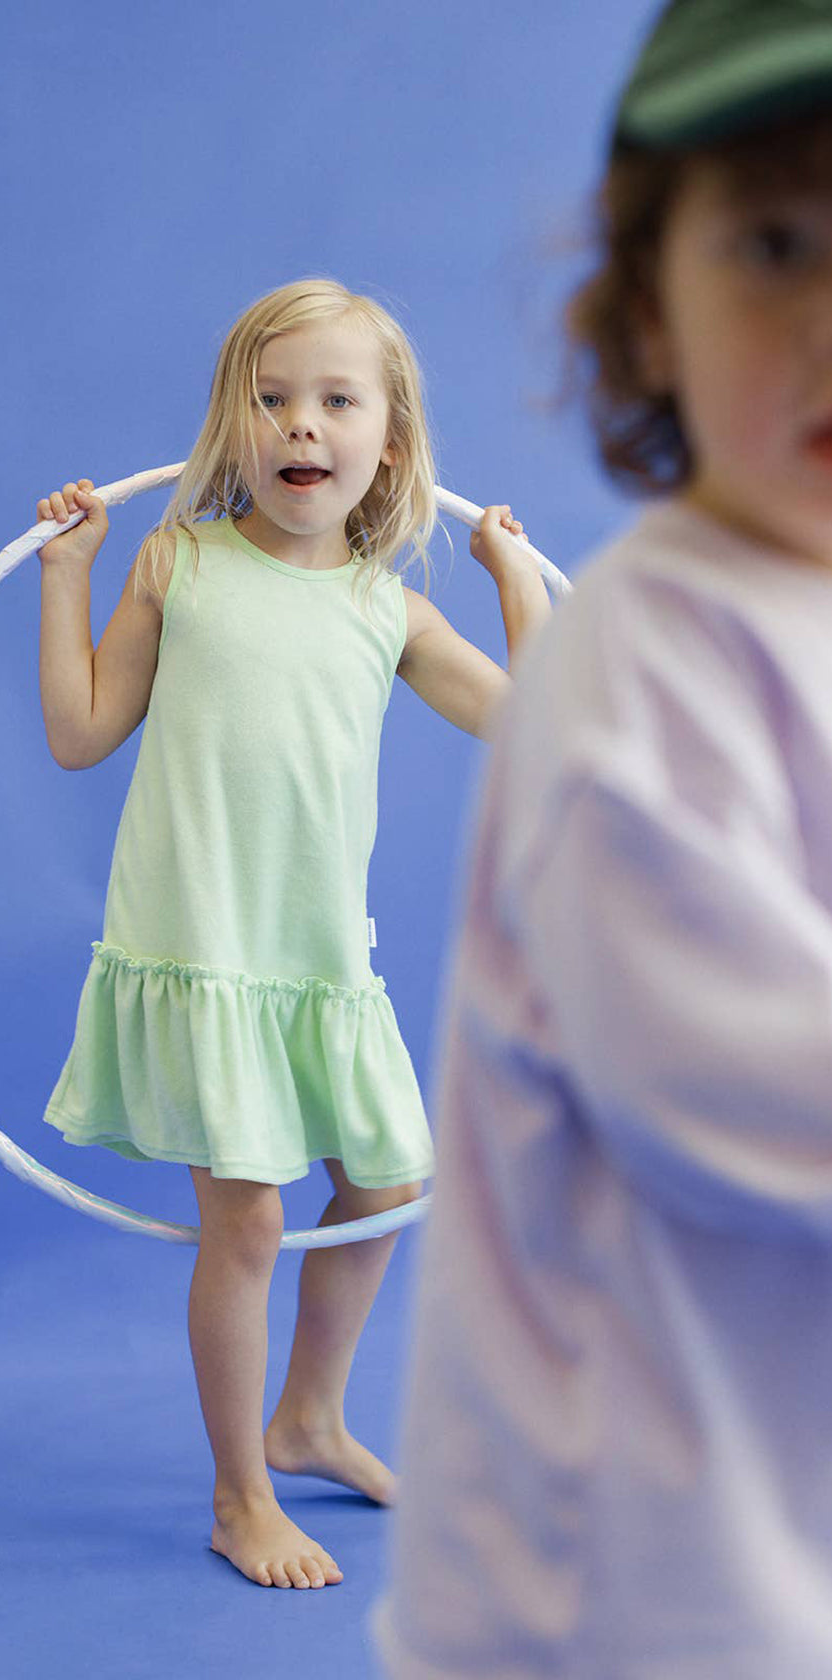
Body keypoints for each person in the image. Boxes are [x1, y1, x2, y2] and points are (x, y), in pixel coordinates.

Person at [375, 1, 832, 1673]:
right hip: (629, 1582)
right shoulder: (641, 674)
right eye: (777, 244)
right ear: (646, 320)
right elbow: (745, 1091)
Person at [35, 277, 551, 1591]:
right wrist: (72, 571)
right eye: (270, 401)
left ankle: (310, 1416)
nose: (300, 426)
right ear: (231, 425)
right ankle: (237, 1494)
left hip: (321, 966)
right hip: (208, 954)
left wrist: (516, 585)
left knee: (387, 1185)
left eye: (335, 400)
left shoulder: (389, 609)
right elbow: (82, 730)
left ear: (391, 440)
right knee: (251, 1224)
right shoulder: (182, 561)